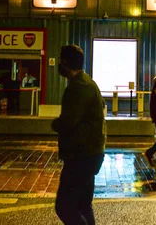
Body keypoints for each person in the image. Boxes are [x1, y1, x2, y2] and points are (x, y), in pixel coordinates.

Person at [52, 45, 106, 225]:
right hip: (92, 154)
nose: (59, 64)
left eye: (61, 61)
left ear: (65, 63)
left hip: (80, 156)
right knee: (83, 205)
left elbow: (67, 122)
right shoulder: (89, 82)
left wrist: (55, 124)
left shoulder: (77, 88)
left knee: (64, 207)